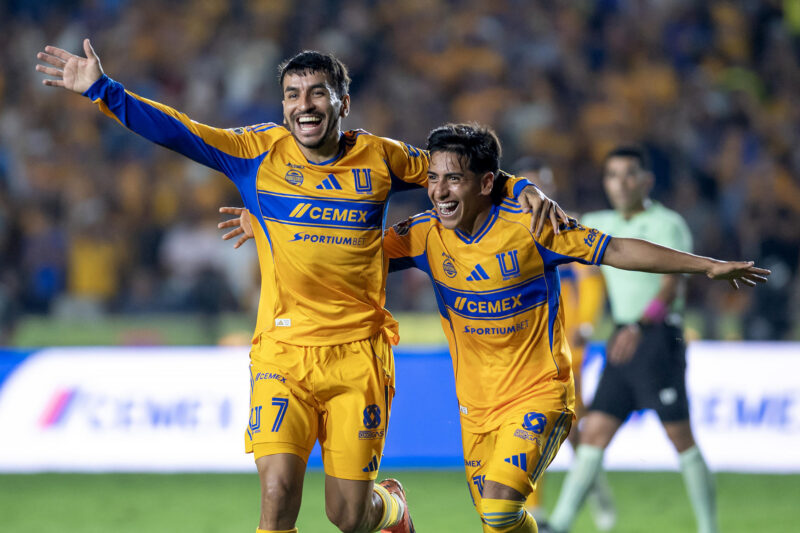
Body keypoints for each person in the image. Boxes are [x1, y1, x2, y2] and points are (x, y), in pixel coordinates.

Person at [35, 40, 564, 533]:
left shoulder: (382, 158)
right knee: (278, 492)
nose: (304, 105)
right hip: (282, 354)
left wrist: (523, 187)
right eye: (292, 94)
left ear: (343, 102)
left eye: (317, 93)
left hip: (357, 357)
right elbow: (180, 131)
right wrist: (104, 91)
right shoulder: (257, 153)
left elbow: (465, 169)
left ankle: (393, 508)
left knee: (349, 517)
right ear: (282, 104)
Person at [221, 124, 768, 533]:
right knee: (495, 519)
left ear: (487, 183)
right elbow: (346, 250)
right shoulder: (422, 235)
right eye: (431, 179)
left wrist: (708, 266)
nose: (437, 191)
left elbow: (618, 250)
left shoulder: (534, 228)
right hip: (475, 409)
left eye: (452, 179)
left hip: (539, 392)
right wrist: (271, 228)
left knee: (504, 504)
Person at [542, 146, 724, 533]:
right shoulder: (597, 220)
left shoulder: (667, 224)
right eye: (612, 175)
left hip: (657, 338)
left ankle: (709, 528)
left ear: (646, 180)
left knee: (681, 438)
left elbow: (673, 284)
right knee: (593, 435)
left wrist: (639, 328)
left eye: (628, 174)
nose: (620, 183)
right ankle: (559, 524)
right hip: (622, 338)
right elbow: (553, 229)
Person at [511, 157, 615, 530]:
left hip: (566, 348)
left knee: (571, 427)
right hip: (526, 348)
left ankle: (598, 492)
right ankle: (535, 509)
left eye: (544, 181)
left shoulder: (564, 226)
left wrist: (584, 325)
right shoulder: (506, 229)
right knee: (530, 426)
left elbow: (591, 283)